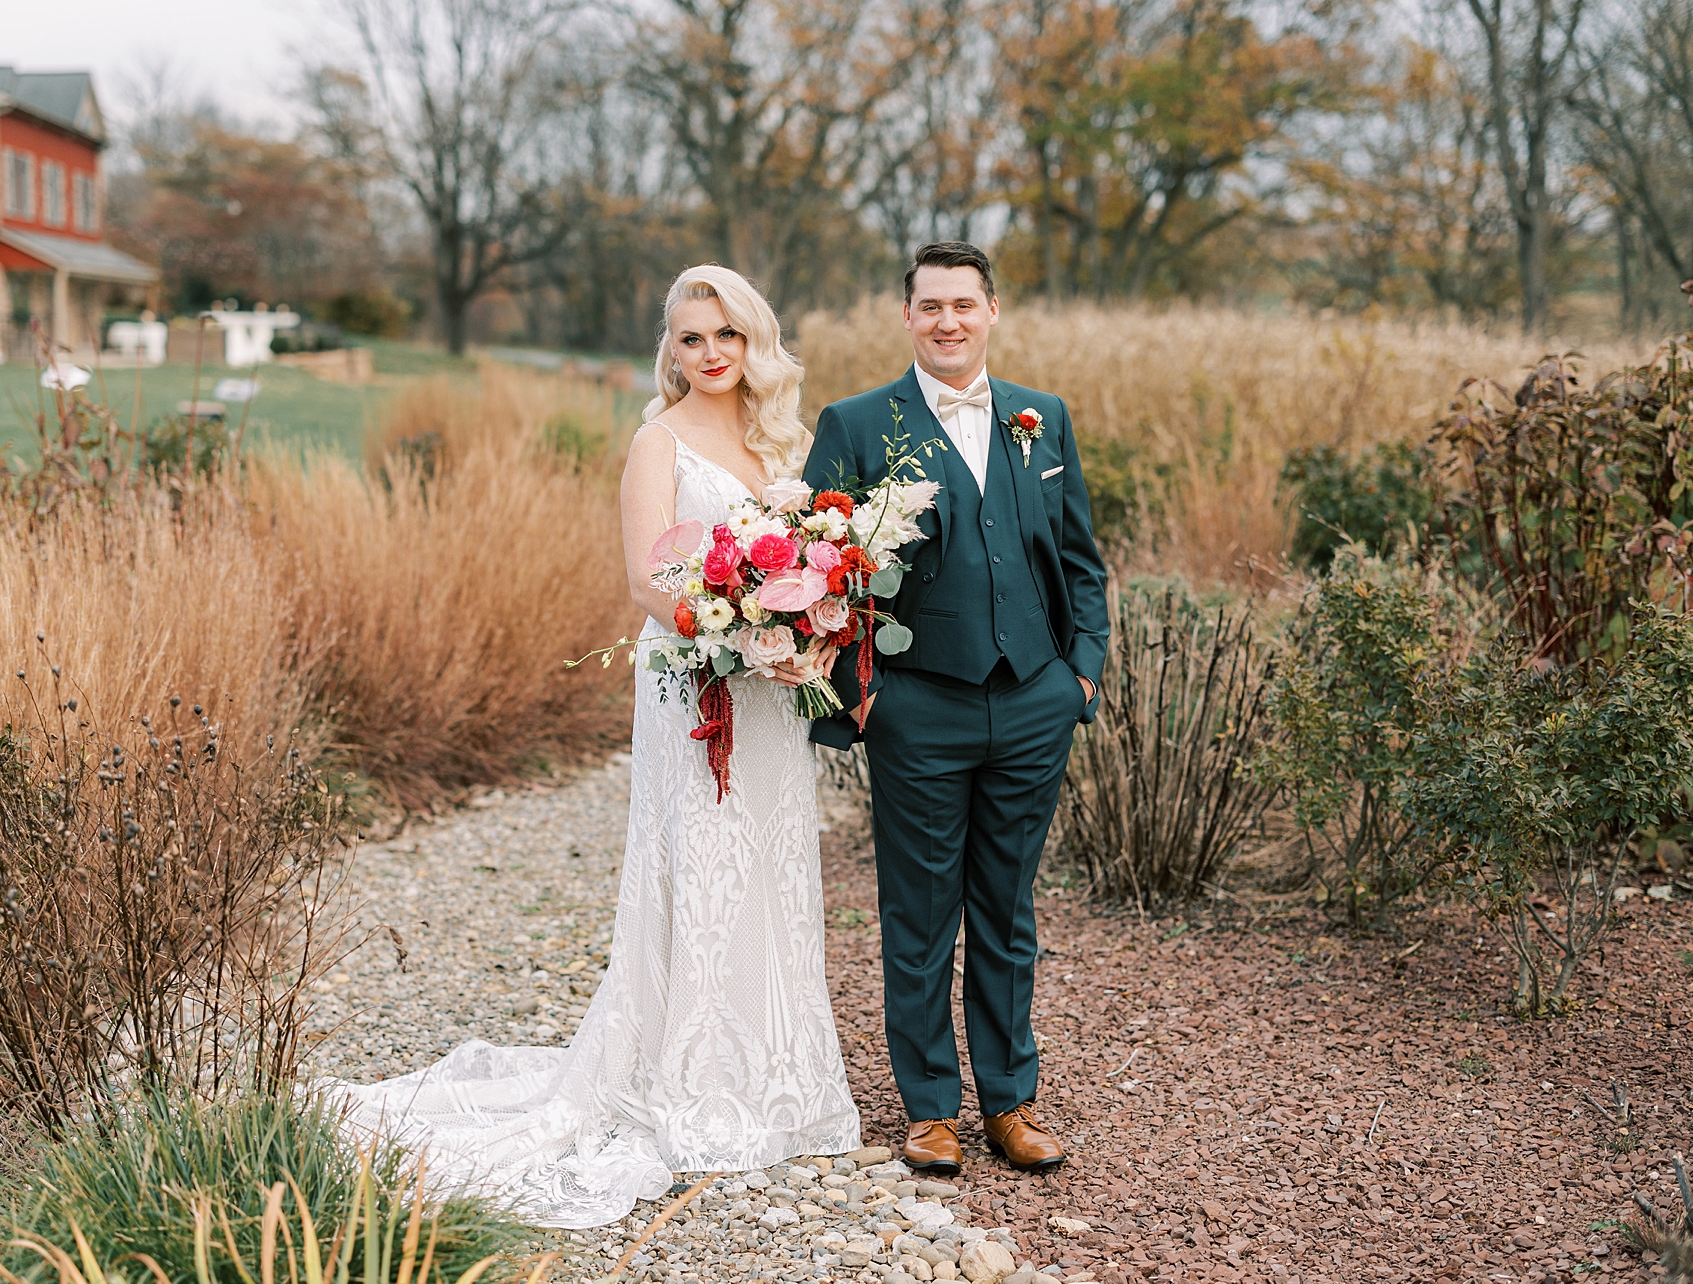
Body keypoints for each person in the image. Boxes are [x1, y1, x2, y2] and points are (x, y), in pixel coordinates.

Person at [326, 264, 861, 1227]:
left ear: (753, 343)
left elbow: (820, 562)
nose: (710, 355)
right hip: (691, 682)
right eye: (692, 338)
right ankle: (685, 1076)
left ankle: (774, 1074)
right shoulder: (655, 444)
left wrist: (808, 630)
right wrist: (733, 629)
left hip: (773, 694)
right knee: (695, 862)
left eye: (727, 336)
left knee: (771, 862)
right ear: (671, 347)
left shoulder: (786, 440)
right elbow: (649, 585)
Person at [804, 241, 1110, 1175]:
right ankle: (931, 1108)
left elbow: (1081, 564)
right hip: (917, 708)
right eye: (930, 305)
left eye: (963, 305)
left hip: (1033, 703)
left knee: (1008, 910)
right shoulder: (856, 424)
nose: (947, 321)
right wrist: (866, 699)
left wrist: (1079, 678)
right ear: (907, 317)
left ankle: (1010, 1104)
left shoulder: (1041, 420)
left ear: (991, 312)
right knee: (921, 911)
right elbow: (820, 579)